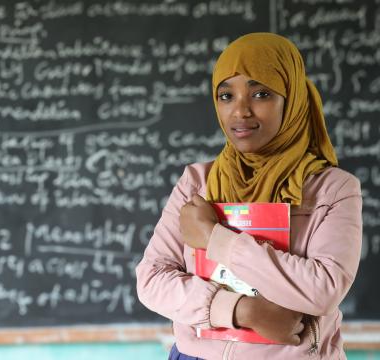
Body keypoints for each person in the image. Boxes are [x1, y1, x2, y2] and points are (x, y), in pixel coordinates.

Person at [135, 32, 362, 359]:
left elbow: (323, 289)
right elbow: (152, 280)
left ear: (292, 99)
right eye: (226, 96)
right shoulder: (198, 181)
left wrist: (215, 239)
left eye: (261, 94)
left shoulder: (333, 188)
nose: (240, 111)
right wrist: (243, 311)